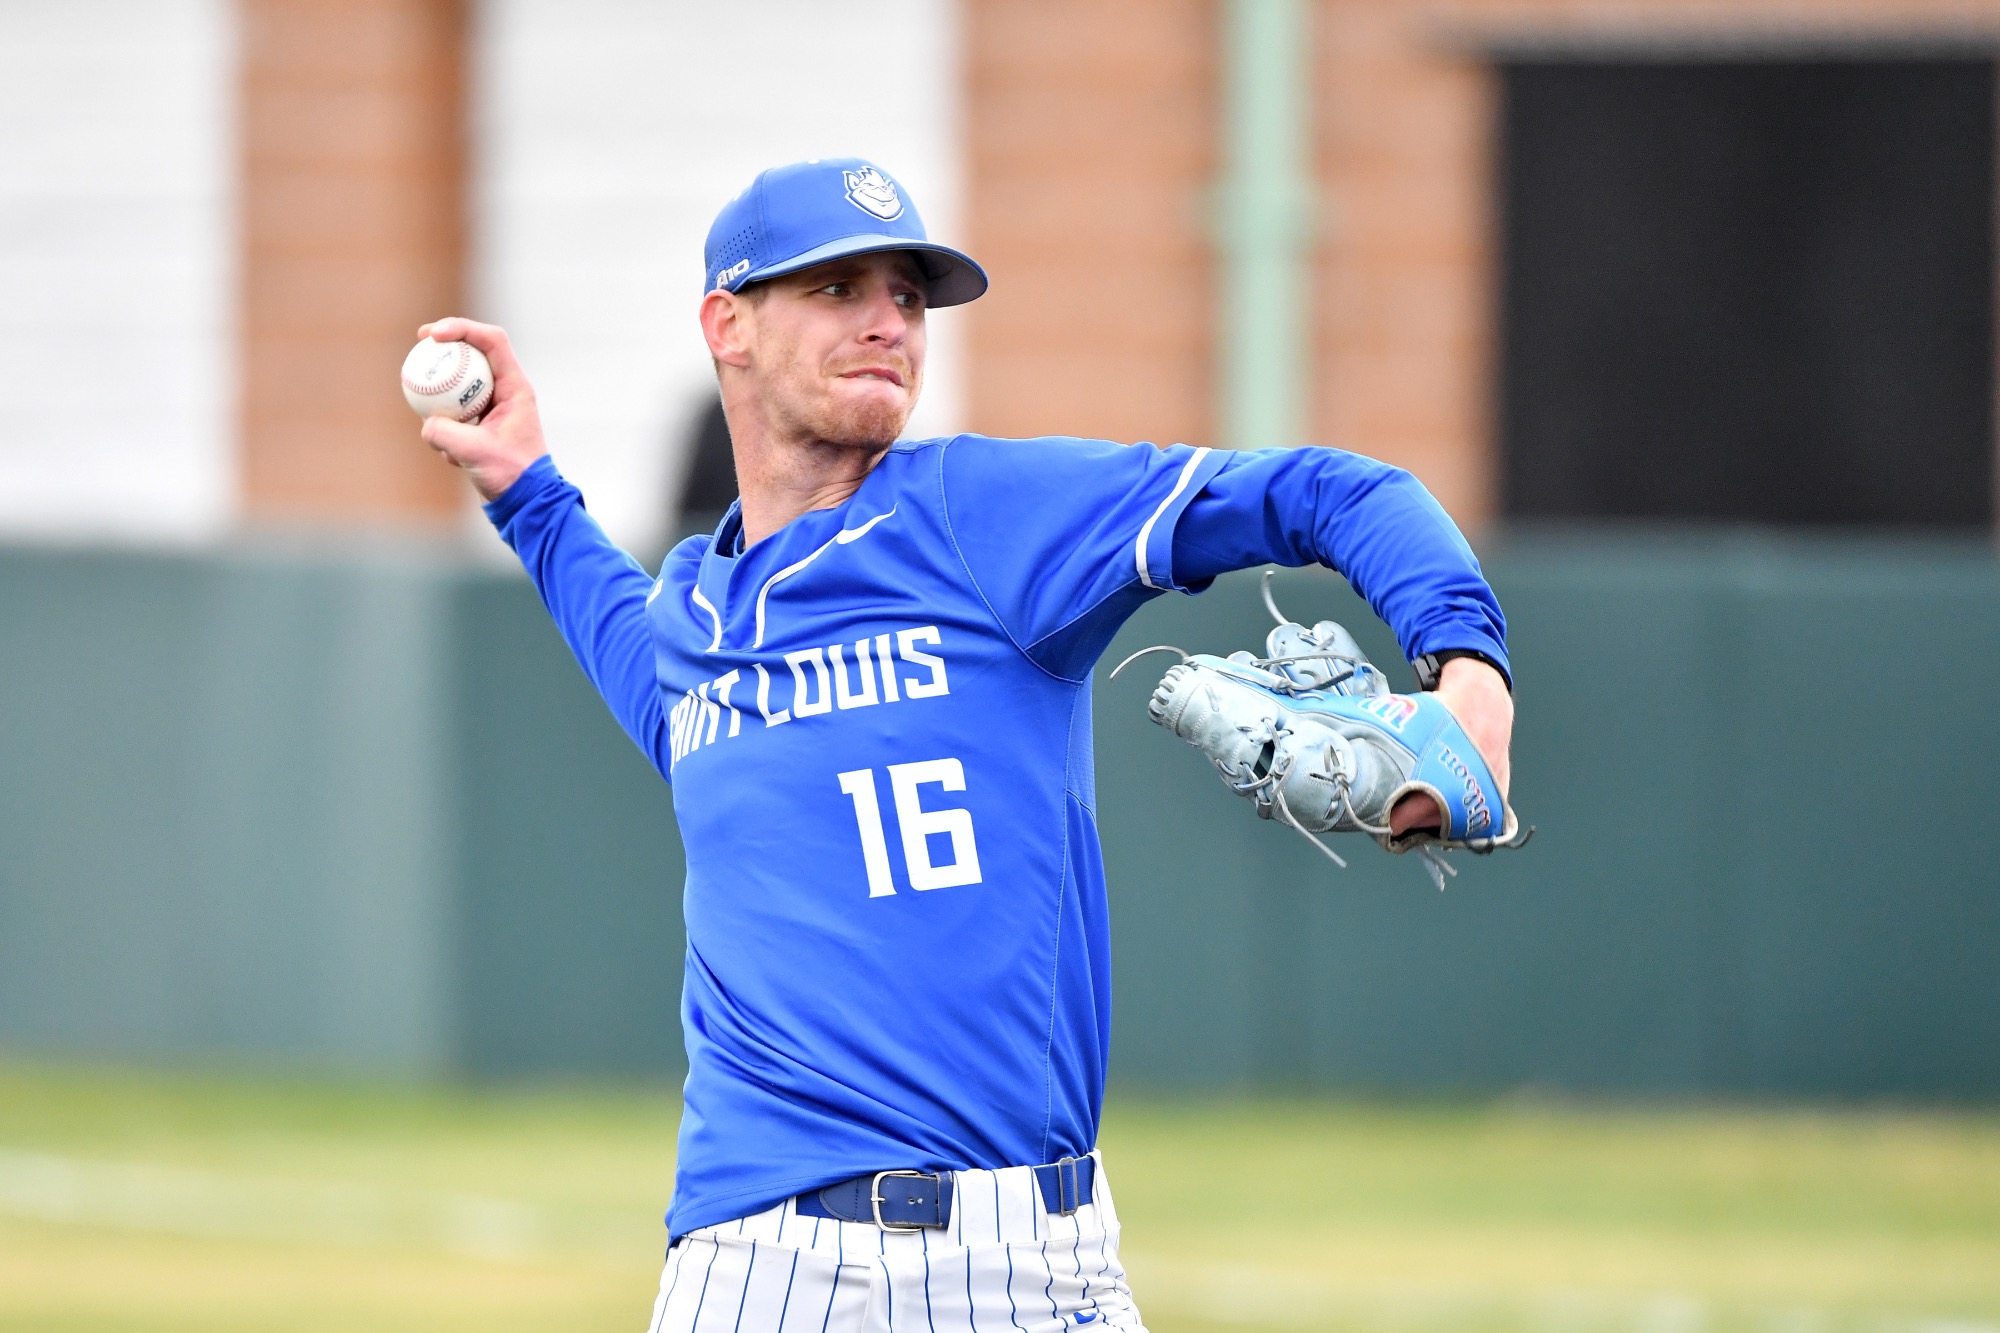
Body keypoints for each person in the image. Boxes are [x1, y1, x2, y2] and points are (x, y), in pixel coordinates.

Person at [415, 158, 1514, 1333]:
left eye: (908, 294)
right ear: (725, 325)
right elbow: (637, 665)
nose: (888, 320)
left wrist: (1469, 675)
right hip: (767, 1269)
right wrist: (527, 493)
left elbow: (1335, 493)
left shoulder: (983, 515)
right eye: (837, 288)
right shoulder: (698, 620)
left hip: (1042, 1265)